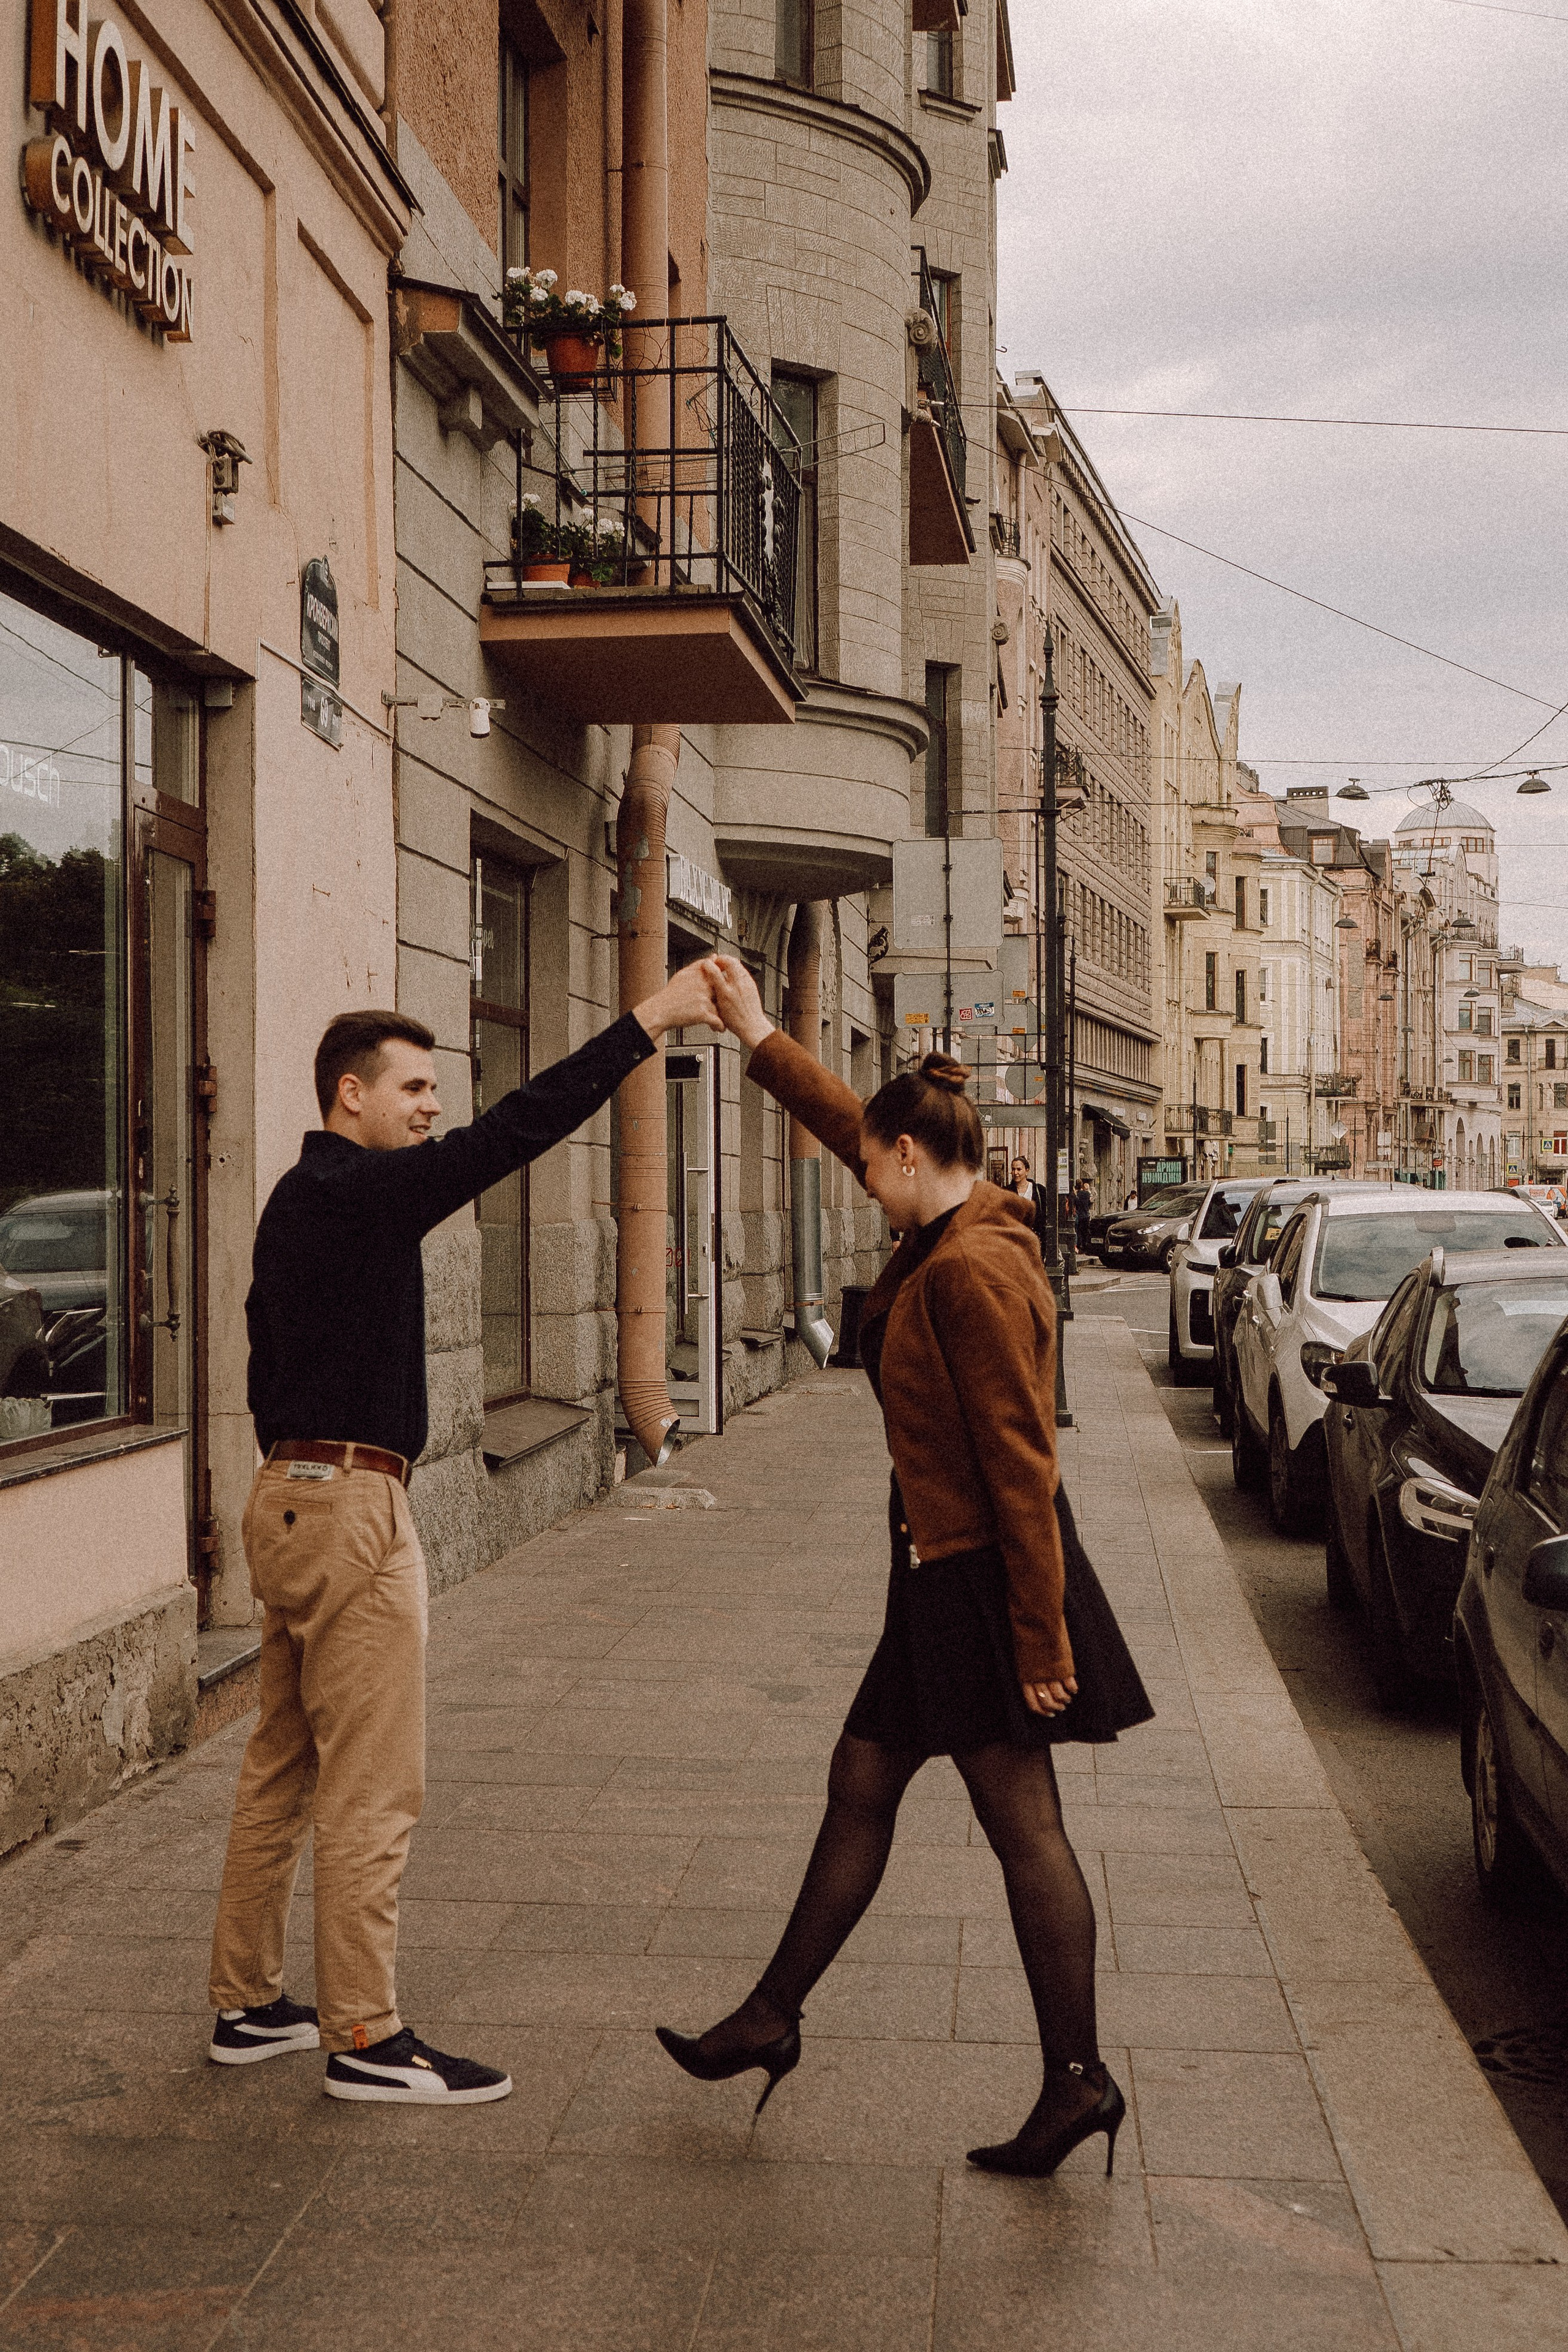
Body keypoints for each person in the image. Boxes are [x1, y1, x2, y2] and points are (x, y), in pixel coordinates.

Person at [656, 956, 1153, 2176]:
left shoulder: (972, 1271)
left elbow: (1022, 1466)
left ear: (912, 1158)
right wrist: (759, 1035)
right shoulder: (953, 1215)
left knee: (1022, 1827)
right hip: (936, 1573)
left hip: (982, 1584)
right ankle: (771, 2016)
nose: (861, 1179)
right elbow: (851, 1123)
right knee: (862, 1777)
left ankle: (1077, 2082)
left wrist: (1042, 1645)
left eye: (873, 1167)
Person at [207, 962, 723, 2103]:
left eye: (435, 1090)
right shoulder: (361, 1192)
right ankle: (365, 2037)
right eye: (415, 1088)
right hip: (349, 1506)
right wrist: (649, 1022)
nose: (434, 1107)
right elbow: (513, 1133)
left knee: (281, 1763)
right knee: (372, 1786)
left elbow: (260, 1357)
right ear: (350, 1095)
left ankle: (246, 2005)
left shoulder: (298, 1199)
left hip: (288, 1494)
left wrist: (297, 1479)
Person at [1008, 1154, 1048, 1253]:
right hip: (1013, 1242)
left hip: (1035, 1240)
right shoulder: (1006, 1191)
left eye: (1019, 1169)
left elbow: (1046, 1215)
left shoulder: (1040, 1190)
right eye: (1013, 1169)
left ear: (1027, 1171)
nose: (1015, 1173)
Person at [1073, 1177, 1093, 1257]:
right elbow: (1090, 1202)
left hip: (1079, 1215)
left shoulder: (1077, 1195)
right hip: (1086, 1215)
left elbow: (1075, 1204)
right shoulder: (1087, 1194)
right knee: (1085, 1232)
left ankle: (1079, 1247)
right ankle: (1085, 1247)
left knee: (1079, 1231)